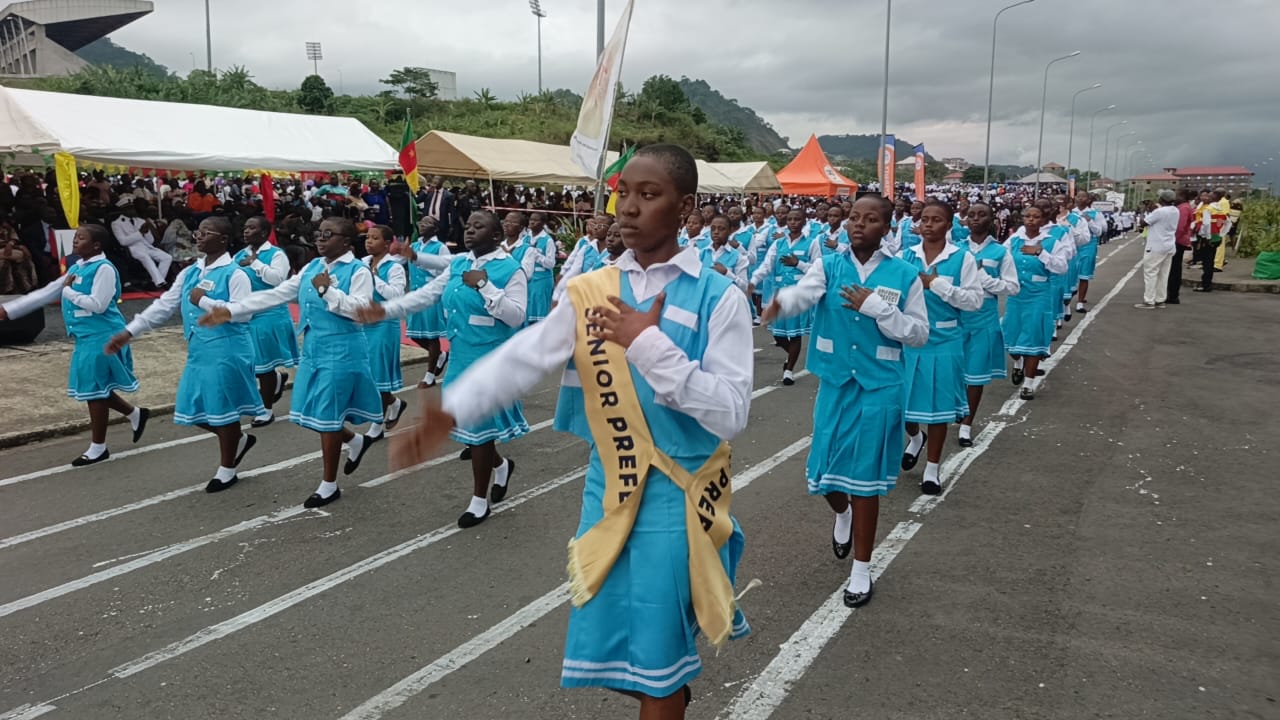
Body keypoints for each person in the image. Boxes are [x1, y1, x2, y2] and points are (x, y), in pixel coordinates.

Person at [387, 145, 751, 718]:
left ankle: (668, 692)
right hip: (610, 489)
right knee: (613, 650)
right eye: (623, 193)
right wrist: (451, 413)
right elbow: (525, 356)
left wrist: (646, 342)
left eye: (649, 195)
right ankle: (671, 691)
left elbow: (731, 412)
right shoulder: (591, 288)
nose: (628, 208)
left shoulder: (718, 296)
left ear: (685, 208)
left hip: (677, 497)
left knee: (656, 663)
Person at [762, 194, 928, 607]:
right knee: (822, 474)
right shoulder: (829, 264)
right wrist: (781, 304)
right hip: (836, 382)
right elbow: (805, 293)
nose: (858, 224)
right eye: (854, 217)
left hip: (880, 386)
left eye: (870, 219)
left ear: (886, 228)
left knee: (866, 480)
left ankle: (862, 568)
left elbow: (918, 334)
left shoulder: (904, 274)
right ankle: (843, 513)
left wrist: (879, 309)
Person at [358, 210, 528, 528]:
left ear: (495, 236)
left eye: (479, 227)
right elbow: (427, 295)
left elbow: (517, 316)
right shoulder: (459, 263)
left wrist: (486, 287)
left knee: (479, 428)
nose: (469, 230)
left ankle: (479, 500)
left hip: (491, 359)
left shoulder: (510, 269)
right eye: (468, 225)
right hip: (461, 355)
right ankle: (501, 466)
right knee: (468, 425)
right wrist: (385, 310)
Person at [200, 216, 385, 508]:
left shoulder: (358, 270)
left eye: (329, 234)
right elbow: (277, 294)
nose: (320, 238)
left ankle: (329, 484)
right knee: (309, 411)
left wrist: (328, 291)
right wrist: (232, 310)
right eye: (319, 233)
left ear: (347, 242)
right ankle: (354, 440)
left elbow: (361, 309)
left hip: (342, 350)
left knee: (327, 415)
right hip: (313, 348)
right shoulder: (312, 267)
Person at [106, 217, 263, 492]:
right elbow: (165, 305)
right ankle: (237, 439)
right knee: (190, 408)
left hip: (228, 349)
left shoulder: (235, 273)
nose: (198, 236)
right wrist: (130, 331)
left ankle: (227, 468)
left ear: (223, 240)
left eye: (206, 232)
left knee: (223, 408)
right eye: (197, 232)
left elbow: (243, 313)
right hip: (200, 348)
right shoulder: (191, 272)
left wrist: (203, 301)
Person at [0, 224, 150, 465]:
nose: (75, 241)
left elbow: (98, 305)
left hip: (103, 335)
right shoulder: (77, 266)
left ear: (96, 245)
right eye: (76, 237)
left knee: (94, 391)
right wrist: (9, 310)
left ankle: (98, 447)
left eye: (81, 238)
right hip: (85, 336)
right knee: (96, 387)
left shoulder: (104, 269)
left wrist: (69, 292)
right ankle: (135, 414)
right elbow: (48, 292)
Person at [896, 200, 984, 495]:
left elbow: (974, 301)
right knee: (901, 404)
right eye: (924, 219)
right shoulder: (904, 257)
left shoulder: (962, 258)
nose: (928, 225)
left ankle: (932, 468)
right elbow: (890, 293)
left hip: (944, 342)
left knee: (938, 409)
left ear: (948, 225)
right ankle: (914, 438)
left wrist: (937, 285)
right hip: (909, 340)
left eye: (936, 220)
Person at [958, 202, 1019, 446]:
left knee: (975, 374)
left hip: (984, 317)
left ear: (992, 219)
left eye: (981, 214)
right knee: (953, 371)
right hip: (956, 316)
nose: (975, 219)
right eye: (971, 215)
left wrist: (983, 278)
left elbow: (1012, 287)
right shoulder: (956, 249)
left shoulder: (1001, 252)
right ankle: (956, 409)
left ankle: (966, 424)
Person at [233, 216, 299, 427]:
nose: (246, 231)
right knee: (249, 362)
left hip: (269, 314)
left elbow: (277, 279)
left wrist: (255, 263)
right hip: (247, 314)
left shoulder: (276, 254)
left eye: (251, 228)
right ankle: (275, 380)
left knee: (262, 366)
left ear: (263, 233)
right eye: (245, 227)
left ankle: (266, 410)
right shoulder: (239, 255)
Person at [1001, 203, 1067, 400]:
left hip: (1038, 295)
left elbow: (1061, 267)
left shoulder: (1051, 242)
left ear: (1043, 220)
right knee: (1010, 335)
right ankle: (1018, 362)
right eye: (1027, 216)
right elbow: (1000, 259)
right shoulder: (1014, 240)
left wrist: (1040, 253)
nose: (1030, 219)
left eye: (1035, 216)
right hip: (1016, 295)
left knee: (1034, 336)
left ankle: (1028, 383)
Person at [748, 208, 819, 386]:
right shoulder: (778, 244)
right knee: (778, 335)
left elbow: (817, 269)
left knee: (794, 334)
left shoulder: (812, 243)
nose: (793, 222)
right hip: (779, 293)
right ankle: (791, 355)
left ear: (804, 222)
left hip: (798, 294)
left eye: (797, 219)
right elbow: (767, 265)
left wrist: (798, 264)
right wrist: (754, 281)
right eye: (790, 219)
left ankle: (789, 370)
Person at [360, 225, 409, 437]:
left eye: (375, 238)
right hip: (363, 323)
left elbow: (396, 295)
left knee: (377, 375)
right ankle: (394, 403)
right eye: (367, 237)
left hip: (384, 324)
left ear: (387, 244)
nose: (369, 241)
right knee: (366, 373)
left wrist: (373, 278)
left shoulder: (394, 267)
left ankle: (376, 424)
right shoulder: (362, 263)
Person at [402, 215, 453, 387]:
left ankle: (430, 376)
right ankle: (440, 355)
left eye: (427, 223)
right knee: (413, 333)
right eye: (421, 222)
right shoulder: (414, 246)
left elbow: (446, 271)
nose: (423, 225)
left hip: (431, 294)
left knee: (432, 336)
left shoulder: (440, 247)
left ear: (435, 228)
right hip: (415, 294)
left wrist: (424, 265)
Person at [111, 198, 172, 289]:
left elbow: (150, 241)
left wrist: (146, 232)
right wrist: (140, 233)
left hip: (146, 246)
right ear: (123, 210)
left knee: (167, 257)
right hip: (133, 248)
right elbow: (123, 241)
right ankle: (160, 283)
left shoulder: (141, 221)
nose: (132, 210)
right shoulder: (116, 223)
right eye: (129, 209)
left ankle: (156, 281)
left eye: (132, 208)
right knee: (145, 257)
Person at [1137, 189, 1179, 309]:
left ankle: (1149, 301)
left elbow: (1143, 223)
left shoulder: (1159, 212)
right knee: (1163, 274)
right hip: (1169, 245)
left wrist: (1143, 211)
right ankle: (1160, 300)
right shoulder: (1175, 210)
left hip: (1156, 246)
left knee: (1150, 273)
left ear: (1162, 199)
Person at [1073, 192, 1106, 313]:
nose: (1080, 199)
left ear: (1088, 200)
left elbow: (1100, 232)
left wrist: (1090, 221)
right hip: (1073, 245)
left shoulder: (1095, 213)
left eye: (1083, 197)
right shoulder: (1071, 212)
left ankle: (1080, 302)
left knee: (1084, 274)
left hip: (1088, 245)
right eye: (1078, 196)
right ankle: (1070, 294)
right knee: (1070, 272)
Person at [701, 214, 751, 292]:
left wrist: (727, 273)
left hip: (727, 298)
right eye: (713, 229)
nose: (716, 232)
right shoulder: (702, 253)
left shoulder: (738, 257)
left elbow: (744, 287)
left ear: (730, 231)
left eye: (721, 229)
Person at [524, 211, 557, 323]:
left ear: (543, 223)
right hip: (528, 280)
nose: (532, 222)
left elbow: (551, 264)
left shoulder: (547, 240)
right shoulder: (525, 238)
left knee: (540, 312)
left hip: (541, 281)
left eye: (536, 220)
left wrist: (536, 254)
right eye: (531, 219)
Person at [1167, 189, 1195, 304]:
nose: (1175, 198)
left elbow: (1180, 227)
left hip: (1178, 241)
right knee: (1174, 268)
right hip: (1179, 240)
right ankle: (1172, 294)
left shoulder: (1183, 208)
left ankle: (1173, 295)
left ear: (1182, 196)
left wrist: (1172, 239)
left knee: (1174, 269)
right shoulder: (1184, 207)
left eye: (1177, 195)